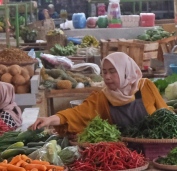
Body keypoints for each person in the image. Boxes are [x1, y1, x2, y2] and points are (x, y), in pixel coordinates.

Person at [29, 52, 169, 133]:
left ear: (125, 71)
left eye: (113, 72)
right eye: (104, 72)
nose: (107, 77)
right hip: (124, 159)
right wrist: (49, 120)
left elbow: (167, 116)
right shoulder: (102, 98)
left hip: (155, 151)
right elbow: (76, 114)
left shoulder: (146, 87)